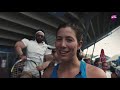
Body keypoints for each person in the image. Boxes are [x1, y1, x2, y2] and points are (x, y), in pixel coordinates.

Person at [42, 23, 106, 78]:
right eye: (59, 39)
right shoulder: (48, 74)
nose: (62, 45)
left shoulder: (96, 74)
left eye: (69, 40)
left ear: (79, 45)